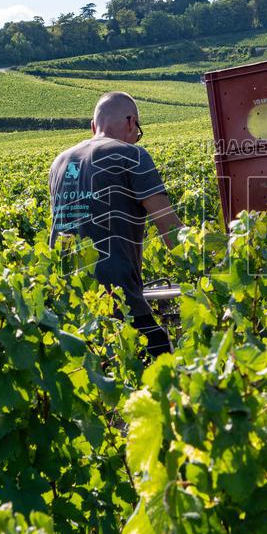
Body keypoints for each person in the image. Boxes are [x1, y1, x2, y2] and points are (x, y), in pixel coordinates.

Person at [49, 91, 184, 357]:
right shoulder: (132, 155)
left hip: (70, 308)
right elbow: (171, 231)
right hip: (120, 303)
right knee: (164, 370)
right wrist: (214, 263)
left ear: (93, 126)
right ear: (132, 122)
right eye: (138, 131)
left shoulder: (59, 163)